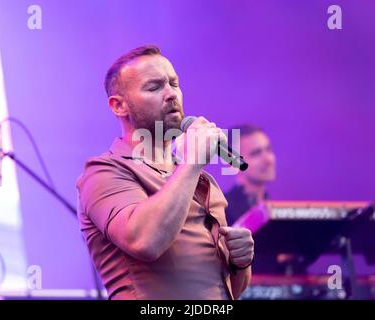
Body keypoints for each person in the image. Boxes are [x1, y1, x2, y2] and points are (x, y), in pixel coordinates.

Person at [76, 45, 254, 300]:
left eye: (174, 83)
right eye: (154, 87)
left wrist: (240, 263)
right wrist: (192, 162)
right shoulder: (103, 172)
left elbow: (226, 290)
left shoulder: (201, 179)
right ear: (118, 106)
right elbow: (145, 242)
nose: (171, 94)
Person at [225, 125, 305, 275]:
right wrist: (276, 260)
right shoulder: (222, 209)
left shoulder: (274, 208)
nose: (268, 159)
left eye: (268, 150)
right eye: (256, 153)